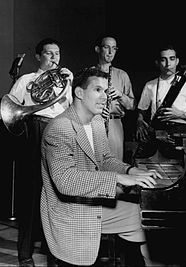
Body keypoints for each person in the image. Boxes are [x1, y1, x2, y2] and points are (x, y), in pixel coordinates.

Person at [40, 67, 162, 267]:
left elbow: (105, 159)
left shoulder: (96, 121)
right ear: (79, 93)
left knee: (144, 217)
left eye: (106, 91)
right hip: (70, 210)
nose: (104, 97)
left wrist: (130, 171)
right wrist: (117, 179)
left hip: (90, 201)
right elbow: (65, 181)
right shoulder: (59, 128)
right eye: (98, 90)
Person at [8, 38, 73, 267]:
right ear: (39, 57)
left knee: (55, 194)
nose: (54, 57)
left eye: (57, 53)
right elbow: (10, 108)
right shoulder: (27, 80)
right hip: (34, 129)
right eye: (48, 53)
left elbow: (72, 110)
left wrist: (69, 83)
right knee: (30, 193)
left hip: (58, 131)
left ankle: (54, 253)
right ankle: (25, 254)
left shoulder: (65, 82)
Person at [137, 44, 186, 158]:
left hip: (181, 134)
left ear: (177, 61)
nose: (168, 64)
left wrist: (179, 114)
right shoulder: (150, 85)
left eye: (172, 59)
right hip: (157, 133)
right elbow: (141, 111)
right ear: (157, 63)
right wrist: (139, 121)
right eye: (163, 60)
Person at [94, 35, 135, 161]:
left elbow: (131, 106)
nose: (111, 52)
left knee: (115, 164)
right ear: (98, 49)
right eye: (106, 47)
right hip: (93, 123)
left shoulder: (122, 75)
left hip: (115, 124)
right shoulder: (89, 74)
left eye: (114, 48)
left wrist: (120, 95)